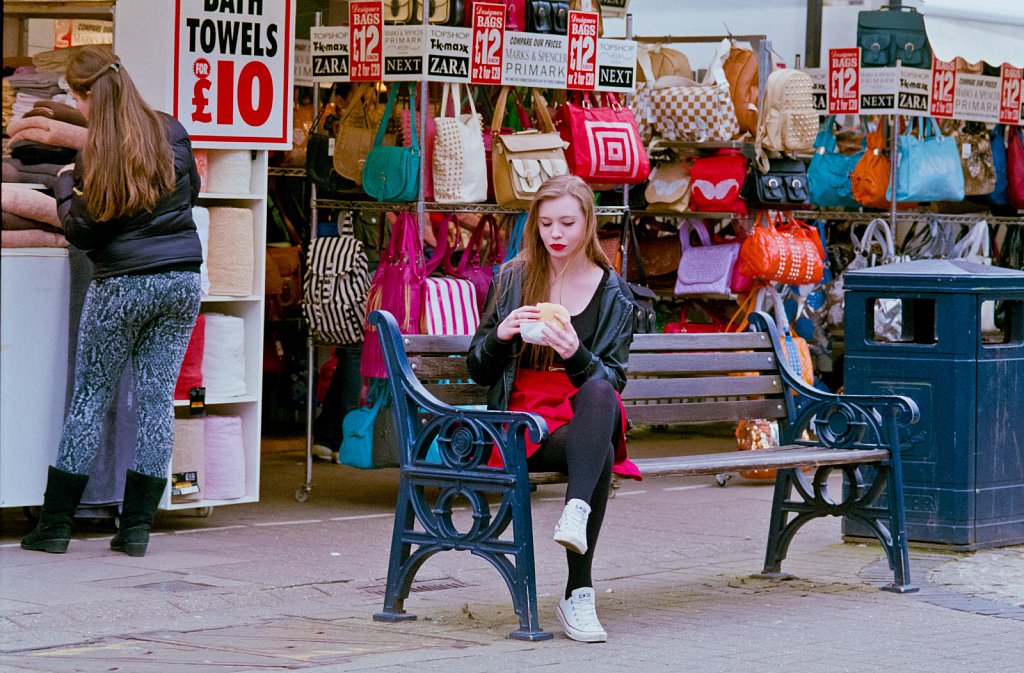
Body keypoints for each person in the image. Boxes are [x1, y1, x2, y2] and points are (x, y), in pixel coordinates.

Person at [21, 45, 203, 557]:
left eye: (75, 97)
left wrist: (63, 188)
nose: (76, 107)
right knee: (156, 402)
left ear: (87, 95)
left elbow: (83, 232)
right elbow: (190, 195)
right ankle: (137, 529)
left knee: (90, 399)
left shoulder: (95, 156)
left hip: (122, 285)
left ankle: (54, 526)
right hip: (181, 280)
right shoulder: (170, 130)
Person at [467, 174, 641, 643]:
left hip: (581, 415)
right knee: (601, 453)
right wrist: (501, 335)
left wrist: (575, 354)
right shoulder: (513, 279)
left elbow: (612, 379)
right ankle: (578, 591)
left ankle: (575, 514)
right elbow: (479, 369)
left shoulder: (613, 293)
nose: (556, 234)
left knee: (600, 395)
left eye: (567, 223)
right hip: (523, 423)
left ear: (588, 224)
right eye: (546, 224)